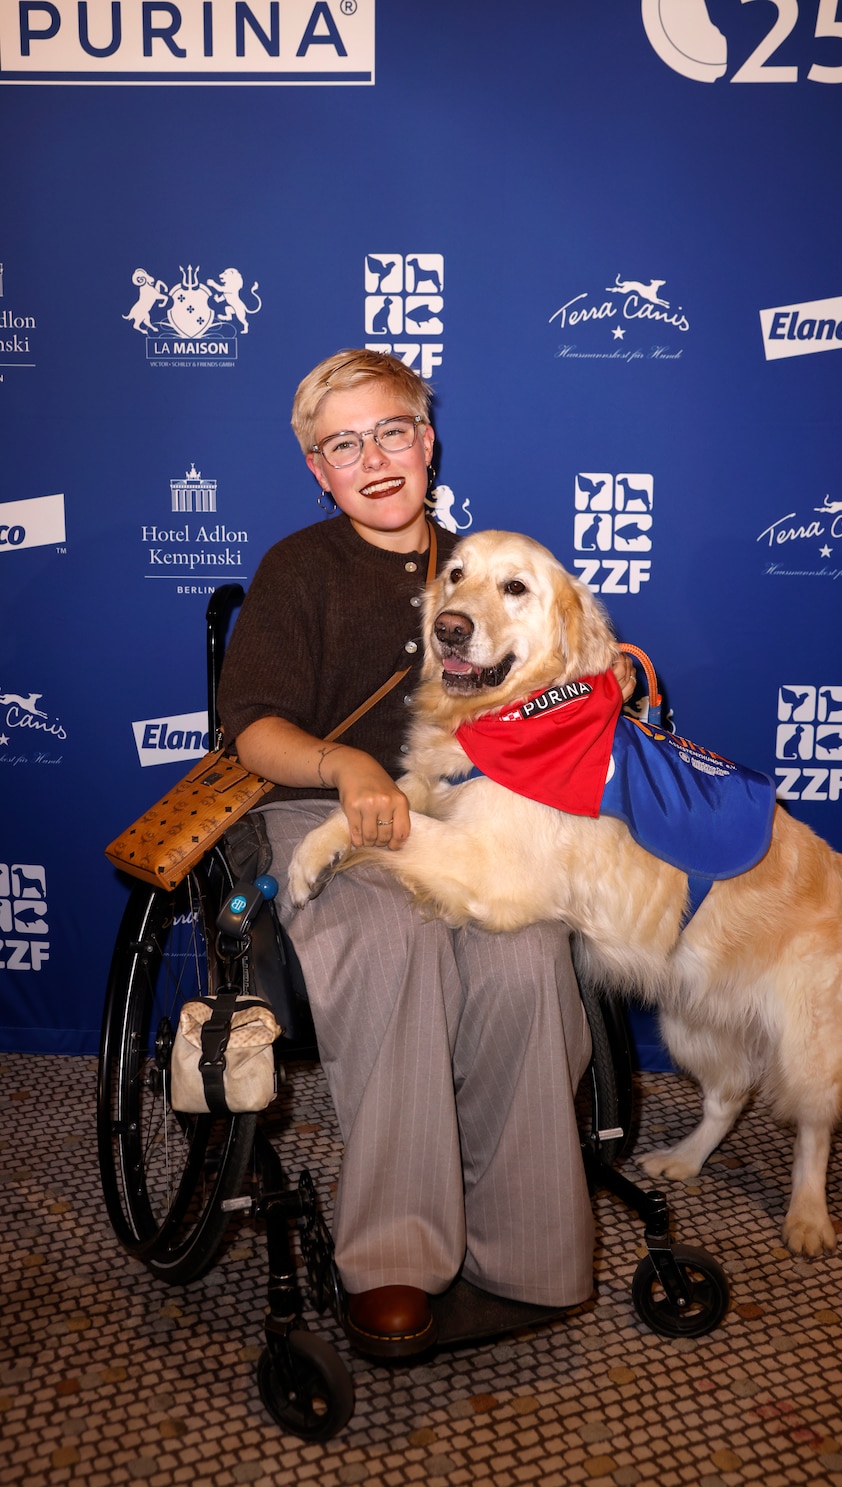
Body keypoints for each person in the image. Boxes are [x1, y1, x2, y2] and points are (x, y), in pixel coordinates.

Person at [218, 349, 627, 1359]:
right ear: (318, 468)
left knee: (526, 958)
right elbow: (252, 731)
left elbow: (554, 675)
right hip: (311, 808)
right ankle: (395, 1251)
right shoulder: (298, 569)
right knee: (393, 936)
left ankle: (528, 1244)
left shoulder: (482, 558)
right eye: (342, 444)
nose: (373, 458)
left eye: (390, 432)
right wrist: (343, 766)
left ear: (426, 441)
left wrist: (608, 670)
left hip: (458, 821)